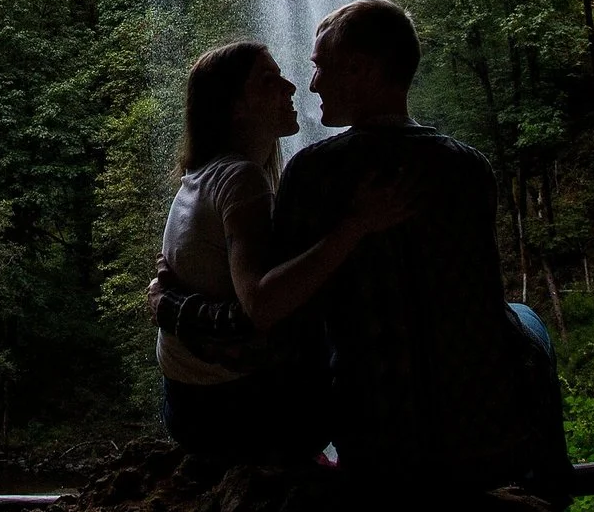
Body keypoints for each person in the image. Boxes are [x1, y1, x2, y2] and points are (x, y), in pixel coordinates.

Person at [158, 0, 571, 504]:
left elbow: (278, 320)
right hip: (480, 439)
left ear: (362, 69)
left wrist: (172, 305)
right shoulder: (470, 168)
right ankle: (550, 481)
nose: (309, 86)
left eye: (319, 67)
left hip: (373, 447)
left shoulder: (311, 174)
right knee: (525, 320)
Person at [149, 39, 406, 459]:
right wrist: (356, 225)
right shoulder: (241, 179)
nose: (290, 86)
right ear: (234, 108)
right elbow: (262, 305)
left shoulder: (201, 175)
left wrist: (167, 305)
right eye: (268, 81)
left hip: (186, 409)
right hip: (239, 415)